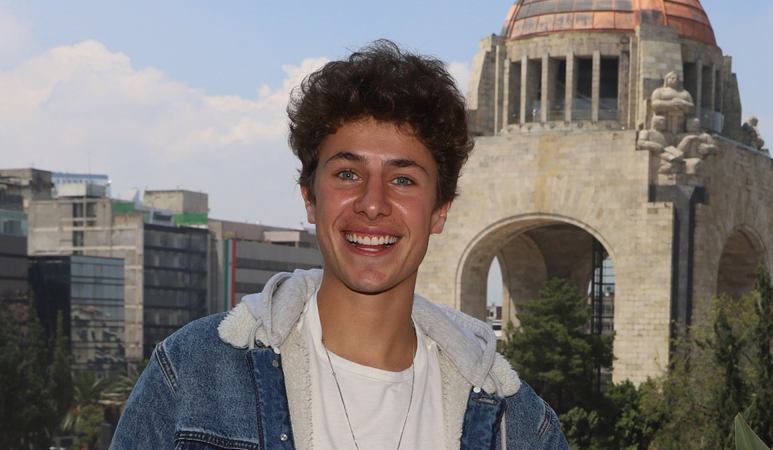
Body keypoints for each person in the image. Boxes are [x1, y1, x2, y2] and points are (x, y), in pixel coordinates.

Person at [110, 40, 568, 450]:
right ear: (310, 198)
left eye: (403, 179)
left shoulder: (518, 426)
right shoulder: (194, 374)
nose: (373, 204)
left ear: (439, 211)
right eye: (348, 174)